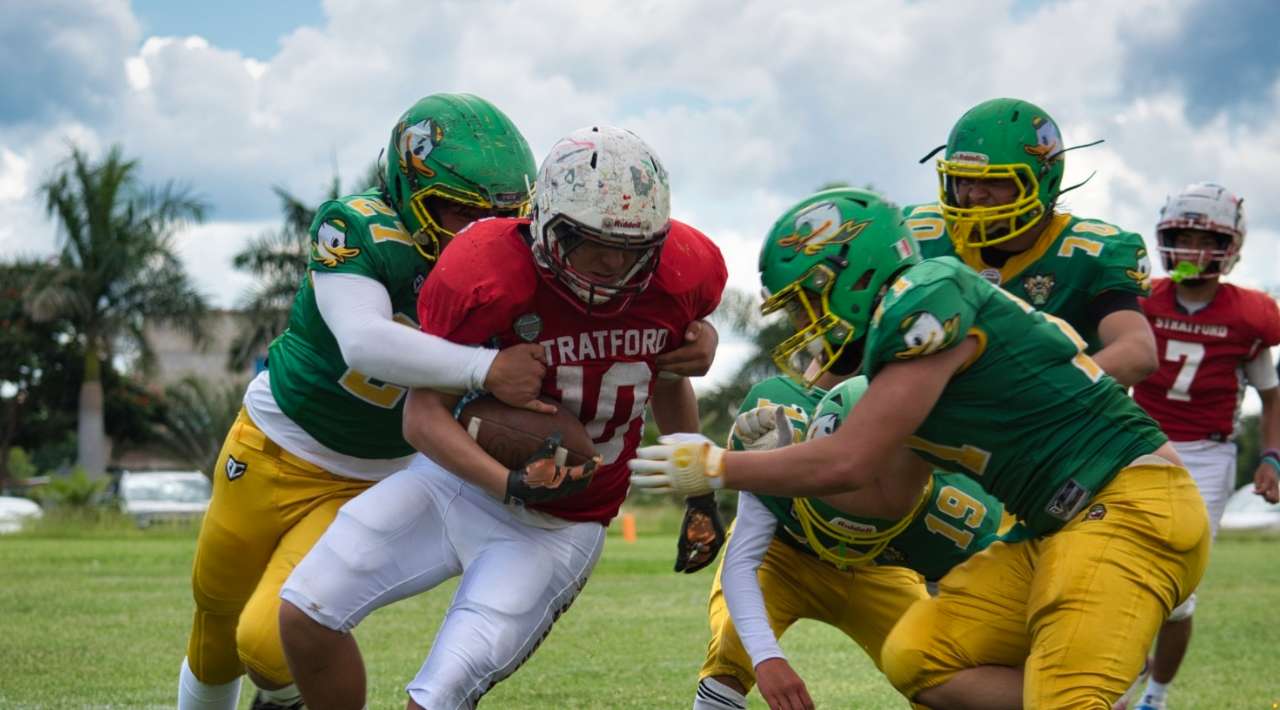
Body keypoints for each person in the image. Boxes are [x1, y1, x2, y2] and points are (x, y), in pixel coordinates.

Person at [631, 186, 1210, 708]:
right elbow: (857, 458)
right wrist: (776, 440)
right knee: (917, 655)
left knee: (1069, 697)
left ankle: (1086, 686)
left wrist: (714, 466)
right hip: (1060, 521)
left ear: (850, 276)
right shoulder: (899, 344)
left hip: (1129, 504)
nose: (807, 323)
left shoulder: (928, 295)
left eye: (809, 301)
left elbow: (849, 459)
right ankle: (1099, 678)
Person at [277, 125, 727, 710]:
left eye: (631, 249)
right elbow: (422, 418)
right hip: (454, 483)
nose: (611, 264)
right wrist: (507, 478)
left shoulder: (683, 273)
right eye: (589, 242)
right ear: (542, 221)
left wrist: (698, 494)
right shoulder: (485, 269)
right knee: (303, 613)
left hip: (558, 525)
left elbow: (668, 378)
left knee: (436, 698)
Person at [175, 93, 550, 710]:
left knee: (268, 649)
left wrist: (689, 337)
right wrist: (487, 368)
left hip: (371, 477)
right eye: (457, 210)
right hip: (274, 443)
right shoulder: (356, 225)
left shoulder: (517, 259)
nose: (480, 231)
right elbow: (366, 343)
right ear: (408, 187)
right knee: (215, 616)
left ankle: (284, 697)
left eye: (502, 214)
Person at [693, 373, 1004, 710]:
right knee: (732, 650)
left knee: (944, 671)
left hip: (879, 571)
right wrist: (767, 658)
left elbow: (972, 618)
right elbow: (742, 563)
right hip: (783, 557)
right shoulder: (777, 431)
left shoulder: (955, 515)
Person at [1119, 183, 1280, 710]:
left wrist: (1272, 457)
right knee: (1114, 570)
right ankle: (1115, 685)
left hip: (1208, 456)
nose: (1190, 250)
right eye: (1181, 237)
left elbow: (1271, 395)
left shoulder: (1248, 316)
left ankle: (1156, 696)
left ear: (1229, 247)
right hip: (1140, 442)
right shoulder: (1142, 298)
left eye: (1203, 238)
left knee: (1178, 597)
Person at [904, 97, 1157, 386]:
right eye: (964, 179)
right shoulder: (918, 235)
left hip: (1052, 424)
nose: (975, 195)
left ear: (1043, 180)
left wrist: (1037, 397)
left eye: (995, 182)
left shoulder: (1092, 252)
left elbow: (1138, 352)